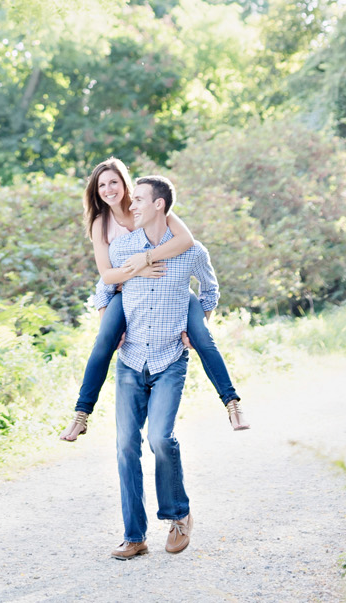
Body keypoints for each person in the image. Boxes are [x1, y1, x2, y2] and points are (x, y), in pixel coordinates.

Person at [59, 156, 247, 441]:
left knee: (203, 338)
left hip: (171, 289)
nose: (109, 190)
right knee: (103, 343)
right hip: (127, 292)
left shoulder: (149, 205)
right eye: (102, 186)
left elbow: (186, 242)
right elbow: (106, 277)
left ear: (125, 184)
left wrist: (147, 258)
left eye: (114, 182)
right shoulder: (102, 222)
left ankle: (232, 404)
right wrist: (137, 270)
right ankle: (81, 414)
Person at [109, 173, 215, 559]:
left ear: (159, 205)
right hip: (130, 359)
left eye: (138, 199)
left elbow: (210, 288)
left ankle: (179, 515)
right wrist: (111, 326)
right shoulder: (122, 248)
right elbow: (104, 288)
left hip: (170, 358)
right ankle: (134, 536)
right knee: (125, 446)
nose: (131, 205)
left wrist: (197, 323)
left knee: (159, 439)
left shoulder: (191, 251)